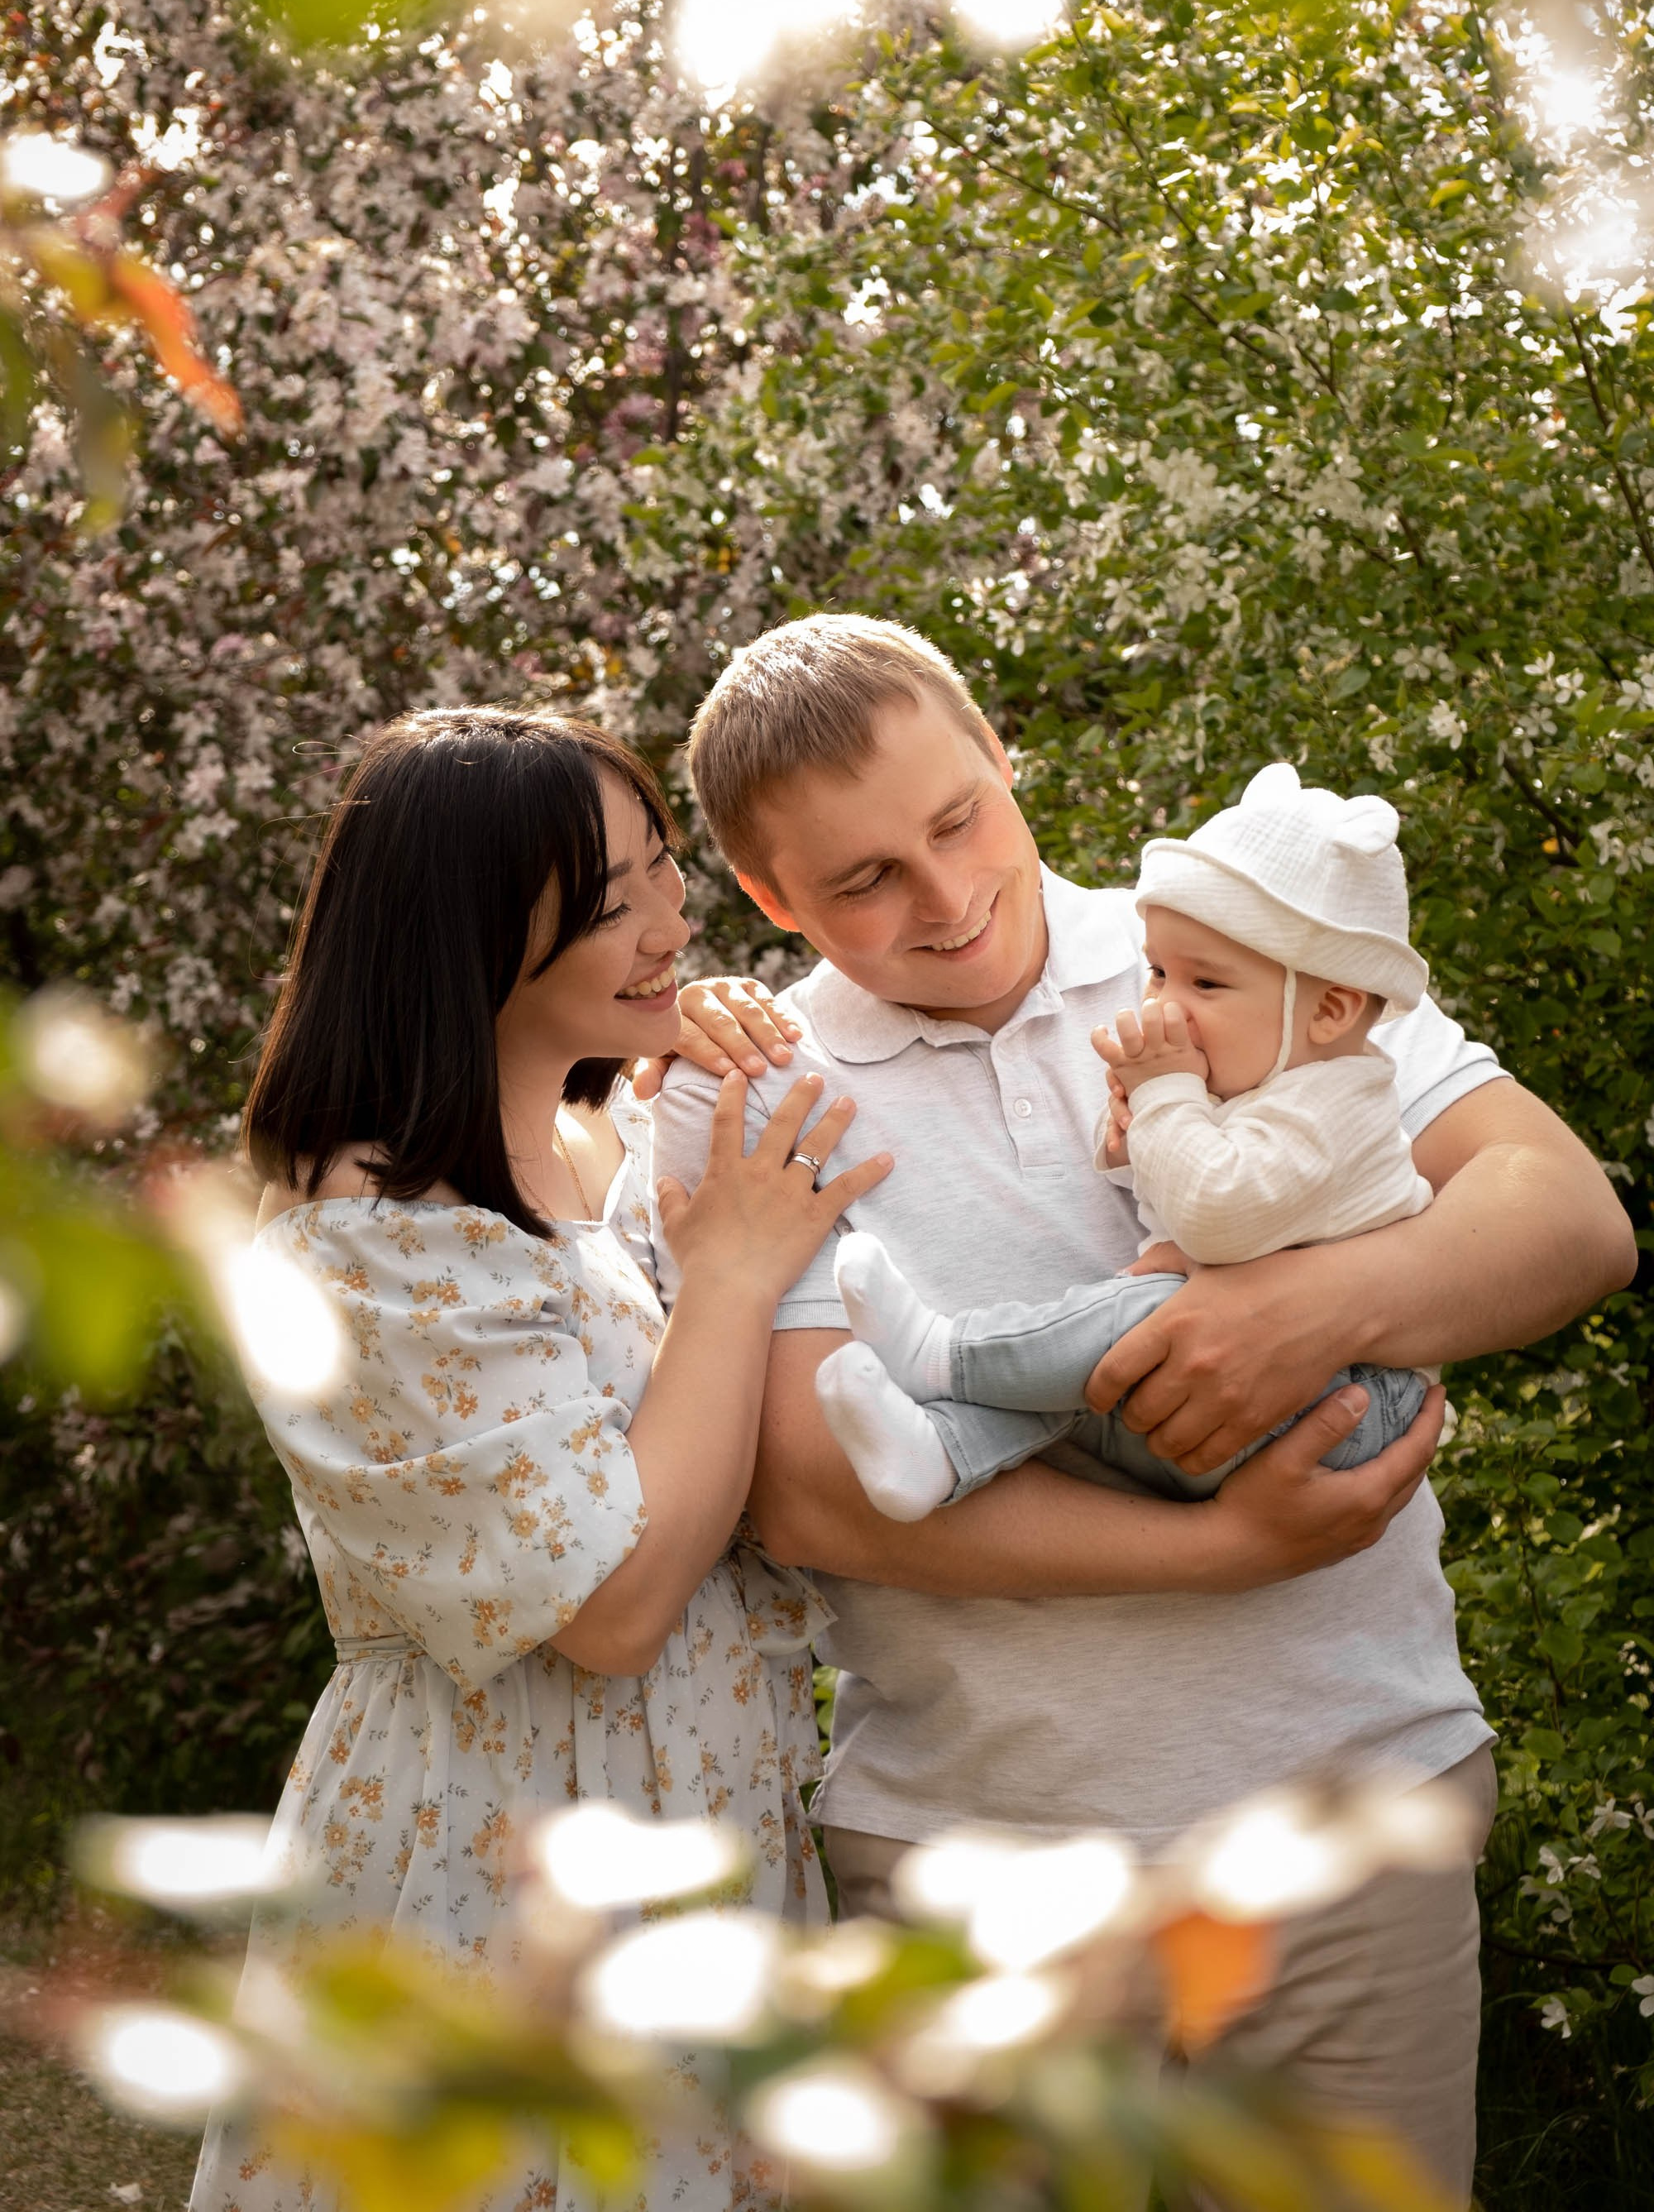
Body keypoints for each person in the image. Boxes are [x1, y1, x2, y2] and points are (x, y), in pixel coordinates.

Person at [648, 615, 1636, 2205]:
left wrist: (1301, 1312)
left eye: (959, 820)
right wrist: (1233, 1548)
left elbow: (1567, 1217)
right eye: (864, 881)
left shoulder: (1237, 948)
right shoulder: (746, 1084)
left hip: (1348, 1816)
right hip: (971, 1873)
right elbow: (817, 1494)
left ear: (1004, 757)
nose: (946, 899)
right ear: (769, 901)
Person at [189, 706, 888, 2212]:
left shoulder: (594, 1147)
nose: (671, 925)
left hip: (695, 1816)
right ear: (471, 937)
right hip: (501, 1854)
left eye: (664, 871)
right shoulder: (368, 1238)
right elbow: (611, 1605)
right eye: (614, 900)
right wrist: (734, 1276)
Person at [815, 760, 1439, 1519]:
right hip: (1265, 1388)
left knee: (1140, 1316)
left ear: (1331, 1011)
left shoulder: (1337, 1105)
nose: (1164, 1005)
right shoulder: (1263, 1078)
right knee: (1101, 1366)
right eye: (1158, 972)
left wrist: (1165, 1096)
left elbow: (1215, 1216)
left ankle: (941, 1357)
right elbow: (1183, 1198)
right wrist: (1132, 1134)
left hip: (1352, 1400)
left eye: (1205, 984)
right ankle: (943, 1454)